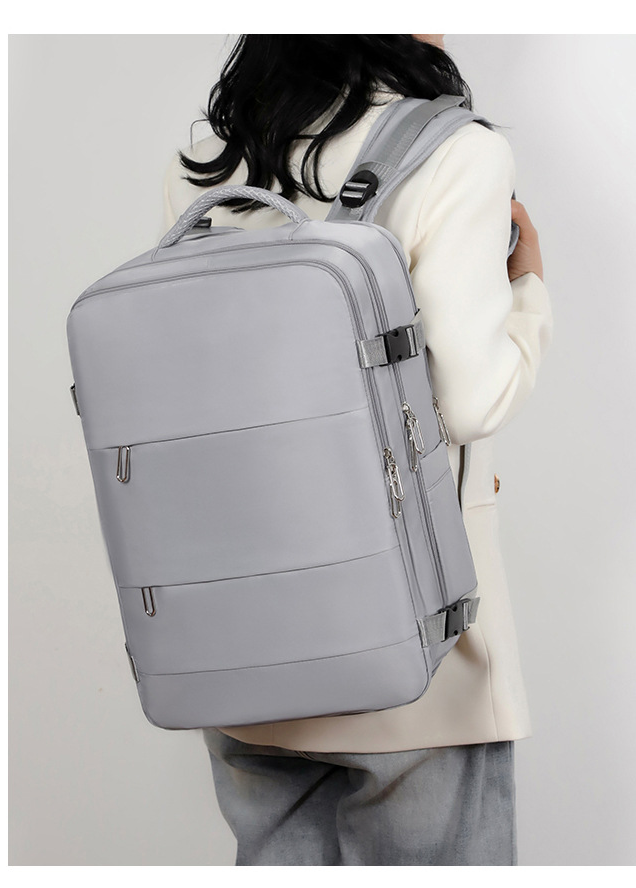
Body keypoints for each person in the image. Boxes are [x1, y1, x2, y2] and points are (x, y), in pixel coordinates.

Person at [160, 35, 553, 866]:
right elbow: (472, 400)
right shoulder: (454, 152)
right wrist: (529, 292)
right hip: (416, 654)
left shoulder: (212, 158)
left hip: (240, 646)